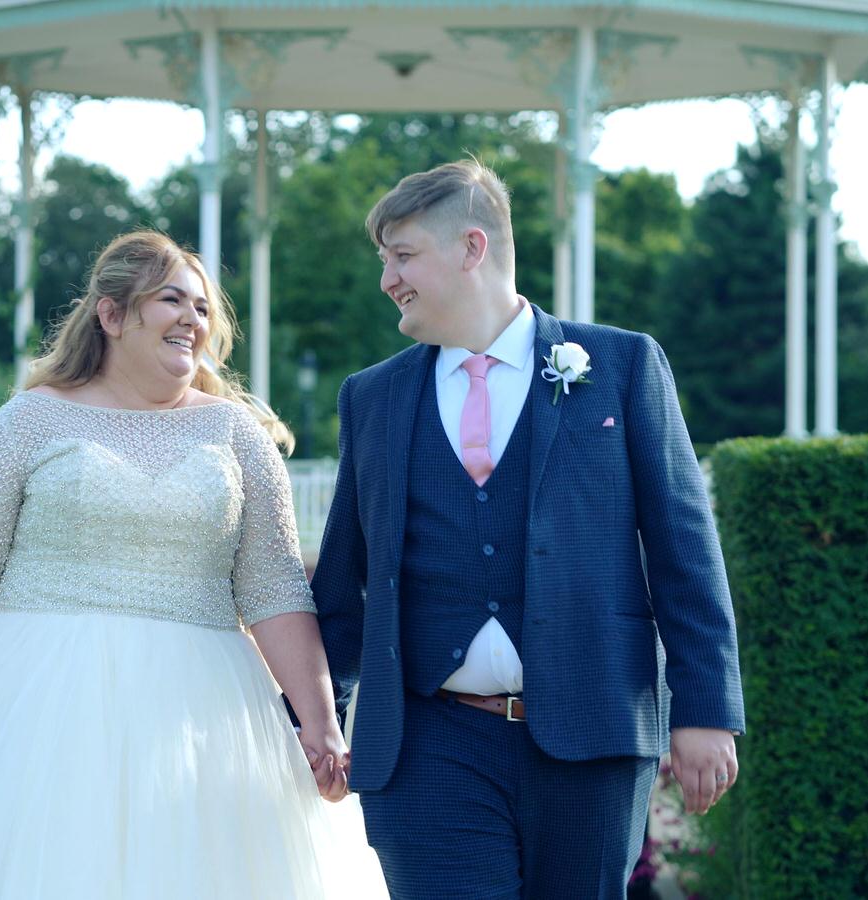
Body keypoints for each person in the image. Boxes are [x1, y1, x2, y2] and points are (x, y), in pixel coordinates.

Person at [0, 230, 386, 899]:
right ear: (111, 315)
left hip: (199, 711)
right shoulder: (27, 421)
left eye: (202, 307)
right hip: (33, 704)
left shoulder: (238, 436)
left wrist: (320, 721)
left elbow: (276, 591)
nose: (192, 319)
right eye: (172, 300)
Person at [309, 160, 745, 899]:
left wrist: (706, 710)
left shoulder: (622, 366)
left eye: (402, 255)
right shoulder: (372, 397)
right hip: (426, 746)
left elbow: (684, 549)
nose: (388, 279)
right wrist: (312, 715)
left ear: (472, 248)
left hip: (593, 735)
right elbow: (344, 580)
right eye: (385, 259)